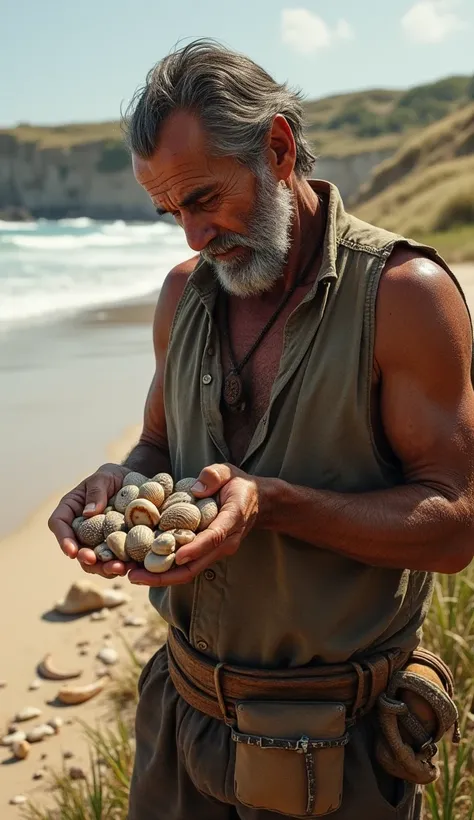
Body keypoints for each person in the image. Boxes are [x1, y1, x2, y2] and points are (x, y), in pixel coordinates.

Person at [48, 40, 474, 820]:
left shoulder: (406, 297)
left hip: (337, 755)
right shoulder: (183, 296)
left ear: (278, 149)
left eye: (205, 198)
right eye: (170, 211)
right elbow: (156, 447)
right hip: (180, 724)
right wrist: (117, 483)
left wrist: (271, 504)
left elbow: (454, 528)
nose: (192, 237)